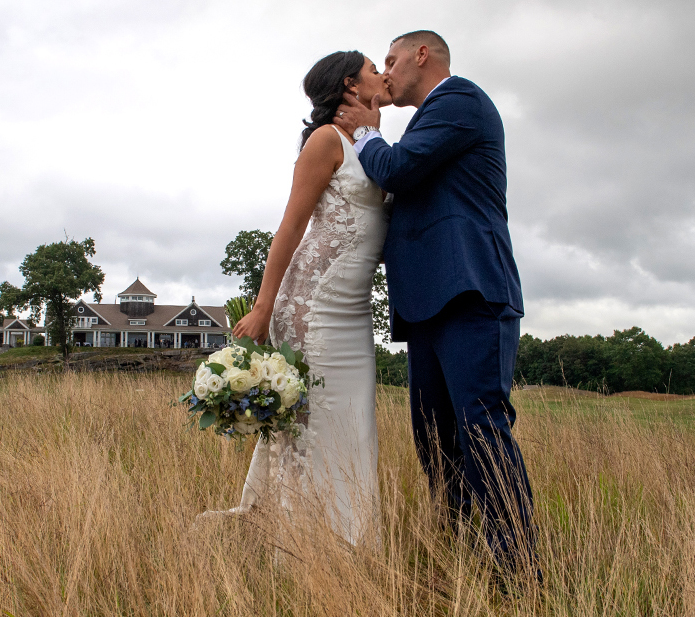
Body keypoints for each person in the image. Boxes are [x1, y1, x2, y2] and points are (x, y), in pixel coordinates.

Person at [334, 30, 537, 580]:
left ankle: (517, 568)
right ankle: (459, 551)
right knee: (434, 439)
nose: (386, 72)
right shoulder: (428, 120)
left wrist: (367, 133)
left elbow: (397, 169)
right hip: (425, 303)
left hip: (471, 291)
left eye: (392, 59)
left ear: (422, 55)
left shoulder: (459, 99)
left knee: (481, 429)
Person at [226, 51, 392, 544]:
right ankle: (302, 541)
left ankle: (347, 540)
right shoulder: (326, 140)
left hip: (354, 308)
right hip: (313, 303)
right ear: (350, 84)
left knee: (353, 421)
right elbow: (291, 226)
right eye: (373, 69)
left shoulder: (373, 143)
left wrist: (375, 129)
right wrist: (262, 308)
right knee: (314, 421)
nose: (383, 75)